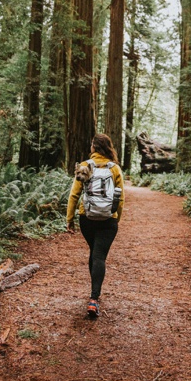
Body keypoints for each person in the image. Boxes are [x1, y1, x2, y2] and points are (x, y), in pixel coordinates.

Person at [66, 133, 125, 318]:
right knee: (99, 255)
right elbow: (121, 198)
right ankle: (94, 298)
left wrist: (69, 218)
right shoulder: (114, 168)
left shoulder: (84, 166)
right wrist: (116, 218)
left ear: (94, 147)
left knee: (94, 253)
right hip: (108, 220)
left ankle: (94, 294)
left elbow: (74, 195)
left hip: (87, 218)